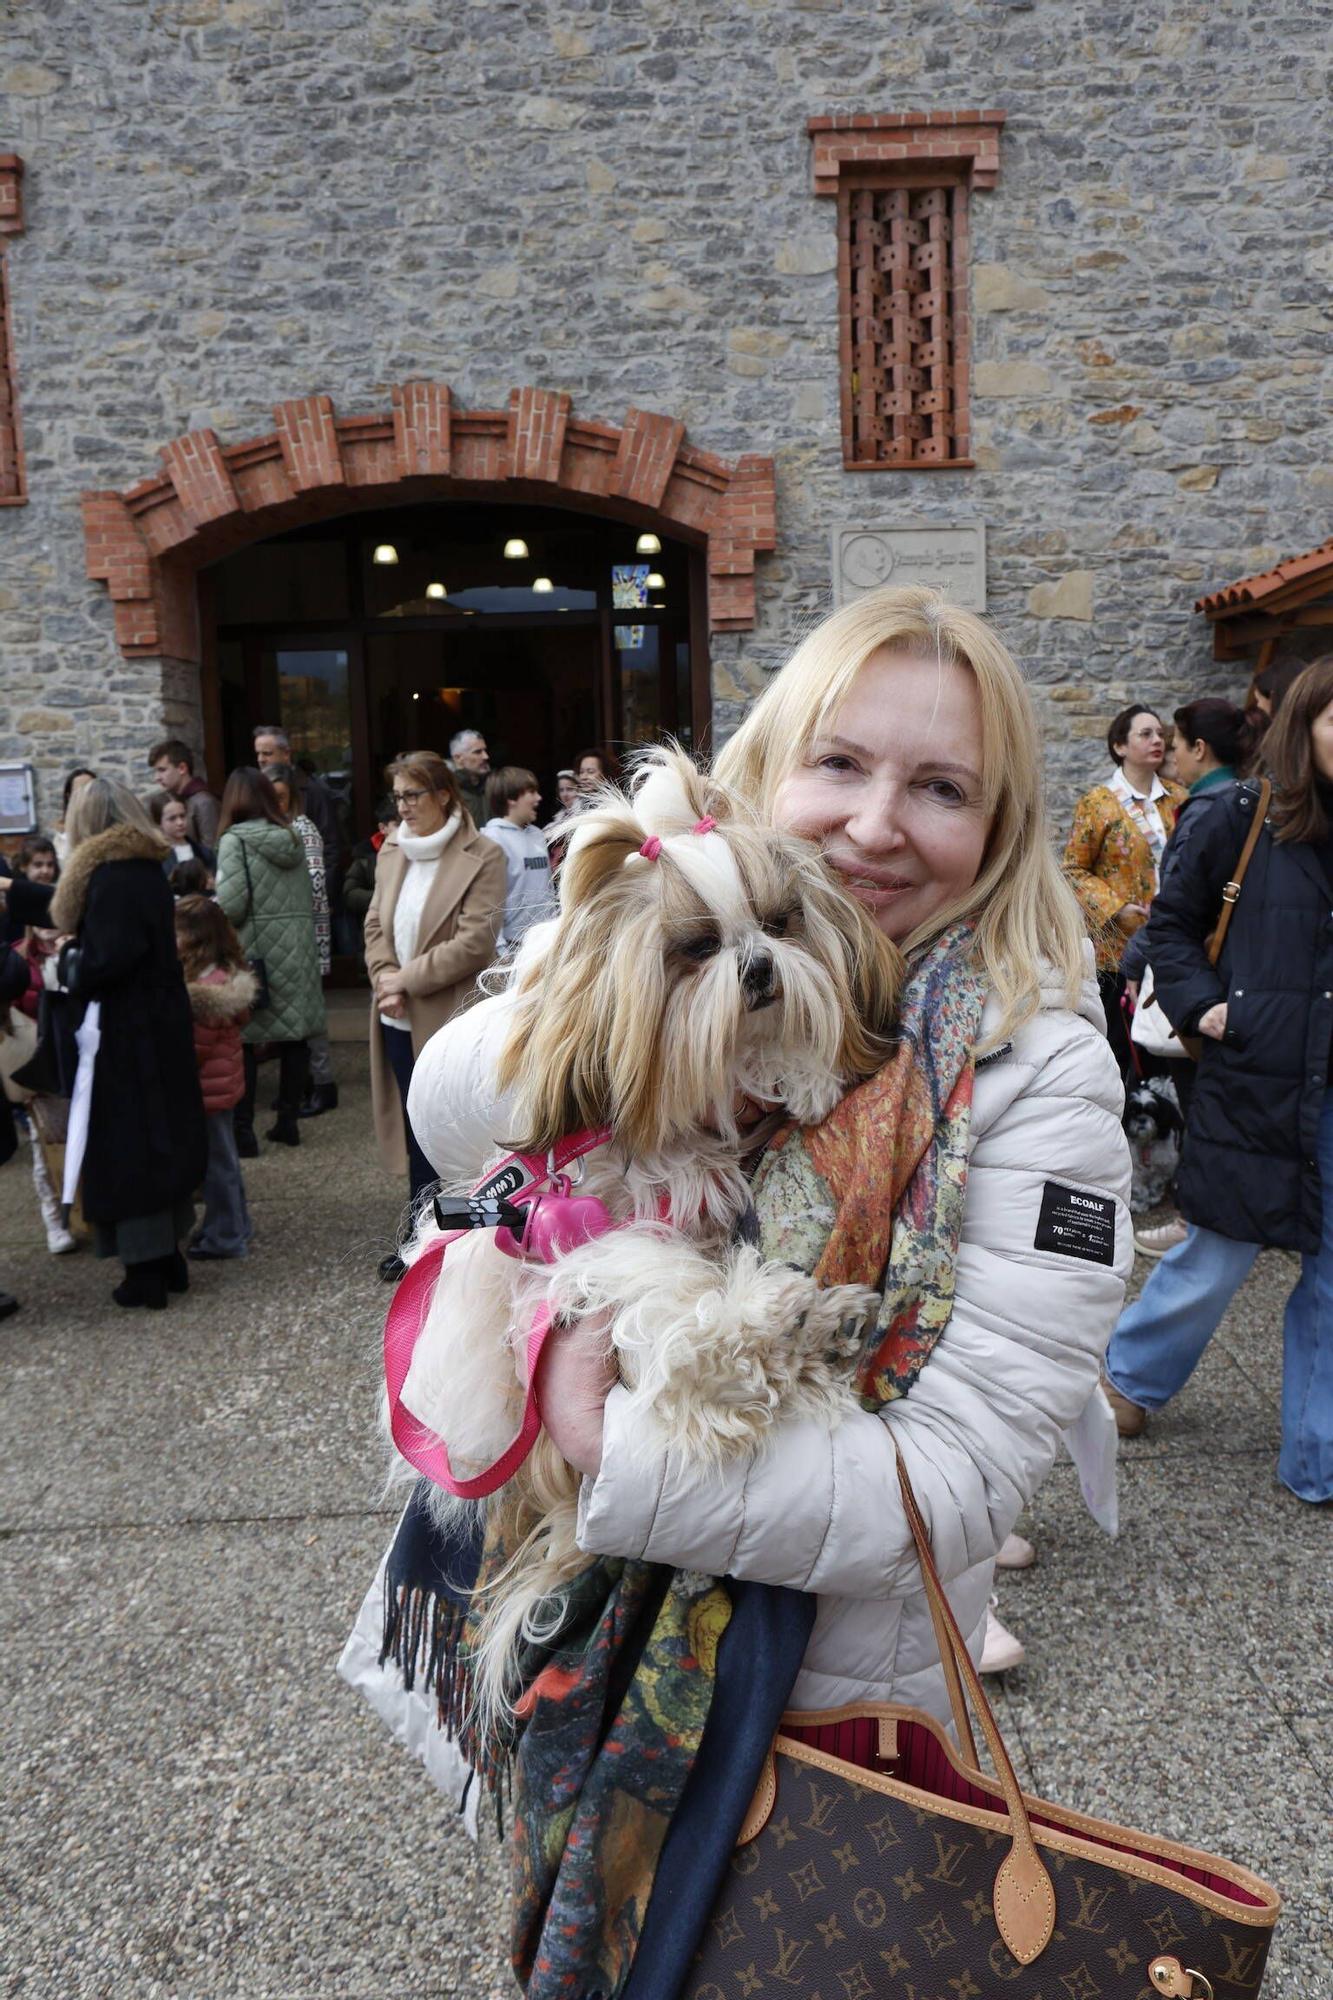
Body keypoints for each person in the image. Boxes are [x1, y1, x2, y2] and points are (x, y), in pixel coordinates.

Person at [397, 586, 1132, 1990]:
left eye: (939, 788)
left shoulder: (1033, 1075)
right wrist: (589, 999)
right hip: (592, 1662)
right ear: (770, 764)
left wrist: (615, 1447)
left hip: (835, 1693)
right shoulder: (655, 932)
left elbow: (962, 1475)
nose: (872, 825)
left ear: (1000, 826)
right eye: (840, 765)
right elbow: (452, 1114)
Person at [1102, 657, 1333, 1503]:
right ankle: (1128, 1378)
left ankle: (1318, 1456)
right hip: (1258, 1073)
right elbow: (1173, 925)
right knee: (1221, 1246)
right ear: (1302, 728)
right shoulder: (1243, 815)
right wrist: (1203, 1007)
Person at [49, 778, 206, 1310]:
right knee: (160, 1140)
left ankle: (146, 1271)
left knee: (132, 1146)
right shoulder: (144, 870)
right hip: (155, 1026)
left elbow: (109, 960)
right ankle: (168, 1259)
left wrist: (70, 965)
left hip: (127, 1035)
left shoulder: (113, 878)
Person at [1120, 696, 1256, 1258]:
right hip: (1246, 981)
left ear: (1199, 749)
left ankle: (1201, 1222)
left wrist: (1133, 964)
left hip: (1203, 984)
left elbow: (1174, 912)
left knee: (1203, 1100)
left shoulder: (1204, 811)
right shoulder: (1259, 799)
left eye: (1174, 743)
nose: (1168, 753)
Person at [362, 749, 505, 1274]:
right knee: (413, 1125)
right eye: (397, 797)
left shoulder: (483, 853)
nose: (403, 807)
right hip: (396, 1011)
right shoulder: (393, 849)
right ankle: (420, 1239)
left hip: (447, 1014)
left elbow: (475, 941)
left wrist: (407, 979)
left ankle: (459, 1243)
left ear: (444, 794)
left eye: (412, 795)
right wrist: (384, 979)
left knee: (451, 1129)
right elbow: (375, 923)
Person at [1063, 703, 1188, 1080]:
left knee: (1170, 1045)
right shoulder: (1098, 803)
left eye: (1160, 735)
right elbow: (1072, 868)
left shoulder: (1180, 799)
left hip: (1173, 943)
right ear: (1120, 746)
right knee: (1124, 1051)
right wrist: (1116, 907)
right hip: (1118, 951)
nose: (1157, 741)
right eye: (1145, 734)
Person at [214, 766, 325, 1153]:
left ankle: (244, 1133)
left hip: (254, 953)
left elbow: (233, 905)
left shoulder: (234, 841)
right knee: (294, 1039)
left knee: (243, 1039)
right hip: (297, 952)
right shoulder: (292, 837)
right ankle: (287, 1122)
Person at [174, 894, 256, 1261]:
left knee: (216, 1166)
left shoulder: (204, 991)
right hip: (223, 1085)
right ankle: (237, 1224)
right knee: (225, 1161)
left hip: (207, 1089)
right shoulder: (226, 975)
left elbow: (195, 1049)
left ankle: (225, 1235)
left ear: (195, 937)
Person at [264, 762, 336, 1117]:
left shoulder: (303, 827)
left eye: (280, 796)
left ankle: (323, 1084)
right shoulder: (273, 830)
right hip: (288, 935)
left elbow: (315, 883)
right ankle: (302, 1084)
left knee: (310, 1015)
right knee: (292, 1016)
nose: (275, 803)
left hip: (308, 933)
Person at [251, 724, 342, 883]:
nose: (260, 759)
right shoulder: (255, 790)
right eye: (258, 754)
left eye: (267, 753)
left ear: (286, 754)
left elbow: (330, 848)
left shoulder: (313, 791)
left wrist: (325, 897)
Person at [480, 765, 557, 948]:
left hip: (545, 940)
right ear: (511, 798)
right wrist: (500, 949)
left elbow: (547, 889)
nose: (538, 798)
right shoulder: (492, 839)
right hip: (513, 945)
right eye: (531, 792)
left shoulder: (537, 834)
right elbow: (487, 899)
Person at [340, 795, 397, 940]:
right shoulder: (366, 856)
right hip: (376, 932)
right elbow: (350, 894)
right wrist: (381, 899)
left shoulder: (418, 849)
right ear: (382, 828)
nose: (405, 829)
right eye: (398, 824)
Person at [148, 739, 221, 851]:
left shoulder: (204, 802)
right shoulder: (170, 800)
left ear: (182, 768)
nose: (157, 778)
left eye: (162, 770)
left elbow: (212, 851)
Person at [148, 790, 215, 878]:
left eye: (182, 816)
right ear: (159, 822)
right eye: (172, 818)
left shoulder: (204, 853)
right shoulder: (155, 858)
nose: (180, 822)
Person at [52, 768, 96, 866]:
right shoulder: (62, 837)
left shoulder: (108, 828)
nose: (86, 796)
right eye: (80, 791)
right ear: (69, 797)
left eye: (91, 790)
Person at [447, 728, 490, 827]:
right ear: (458, 758)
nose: (485, 756)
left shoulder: (493, 787)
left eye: (485, 751)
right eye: (478, 752)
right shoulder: (448, 793)